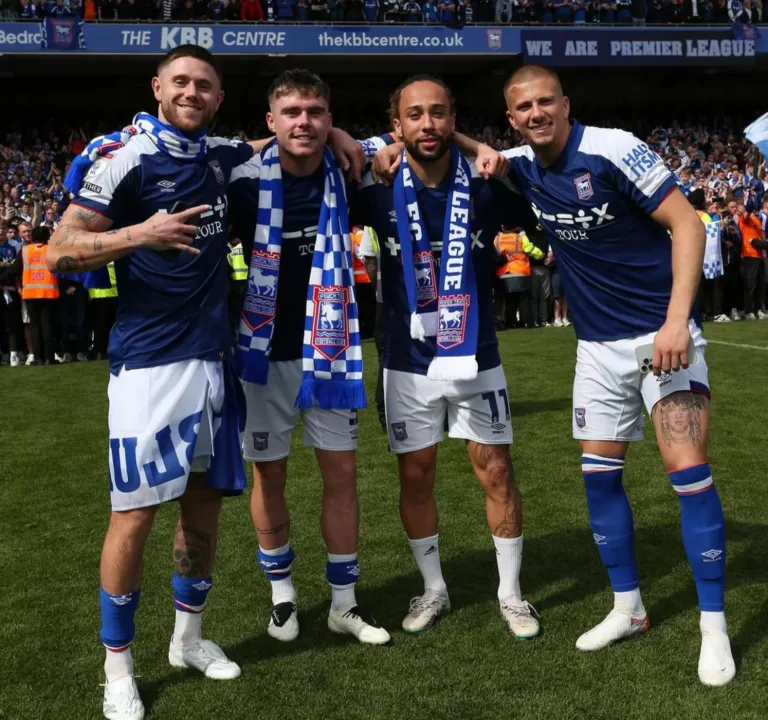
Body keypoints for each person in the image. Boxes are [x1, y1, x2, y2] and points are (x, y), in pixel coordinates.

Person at [498, 64, 734, 686]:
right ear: (511, 118)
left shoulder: (613, 148)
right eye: (523, 107)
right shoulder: (518, 163)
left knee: (688, 474)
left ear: (566, 104)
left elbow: (688, 222)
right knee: (599, 482)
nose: (536, 113)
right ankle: (628, 609)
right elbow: (451, 149)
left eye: (546, 101)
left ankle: (714, 627)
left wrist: (677, 322)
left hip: (664, 339)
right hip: (597, 349)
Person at [47, 45, 256, 720]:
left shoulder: (223, 156)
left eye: (206, 85)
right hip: (147, 367)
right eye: (183, 82)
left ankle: (188, 640)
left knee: (203, 508)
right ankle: (118, 670)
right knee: (133, 517)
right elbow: (59, 249)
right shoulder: (124, 156)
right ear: (158, 87)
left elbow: (285, 134)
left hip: (214, 362)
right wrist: (141, 233)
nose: (194, 92)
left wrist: (338, 131)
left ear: (219, 98)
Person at [351, 75, 541, 639]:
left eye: (438, 113)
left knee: (497, 471)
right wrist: (370, 152)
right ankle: (433, 587)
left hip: (478, 355)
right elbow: (318, 154)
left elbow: (535, 179)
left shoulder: (486, 184)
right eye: (415, 115)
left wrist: (483, 150)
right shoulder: (376, 188)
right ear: (397, 126)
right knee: (416, 473)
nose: (427, 124)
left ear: (452, 121)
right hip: (405, 362)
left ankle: (511, 593)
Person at [227, 69, 391, 646]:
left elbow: (405, 141)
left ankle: (343, 603)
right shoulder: (239, 179)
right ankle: (283, 598)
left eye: (317, 112)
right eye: (291, 112)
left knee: (341, 476)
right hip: (263, 353)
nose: (305, 121)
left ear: (330, 117)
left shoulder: (350, 169)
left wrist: (346, 136)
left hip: (331, 349)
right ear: (270, 122)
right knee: (268, 476)